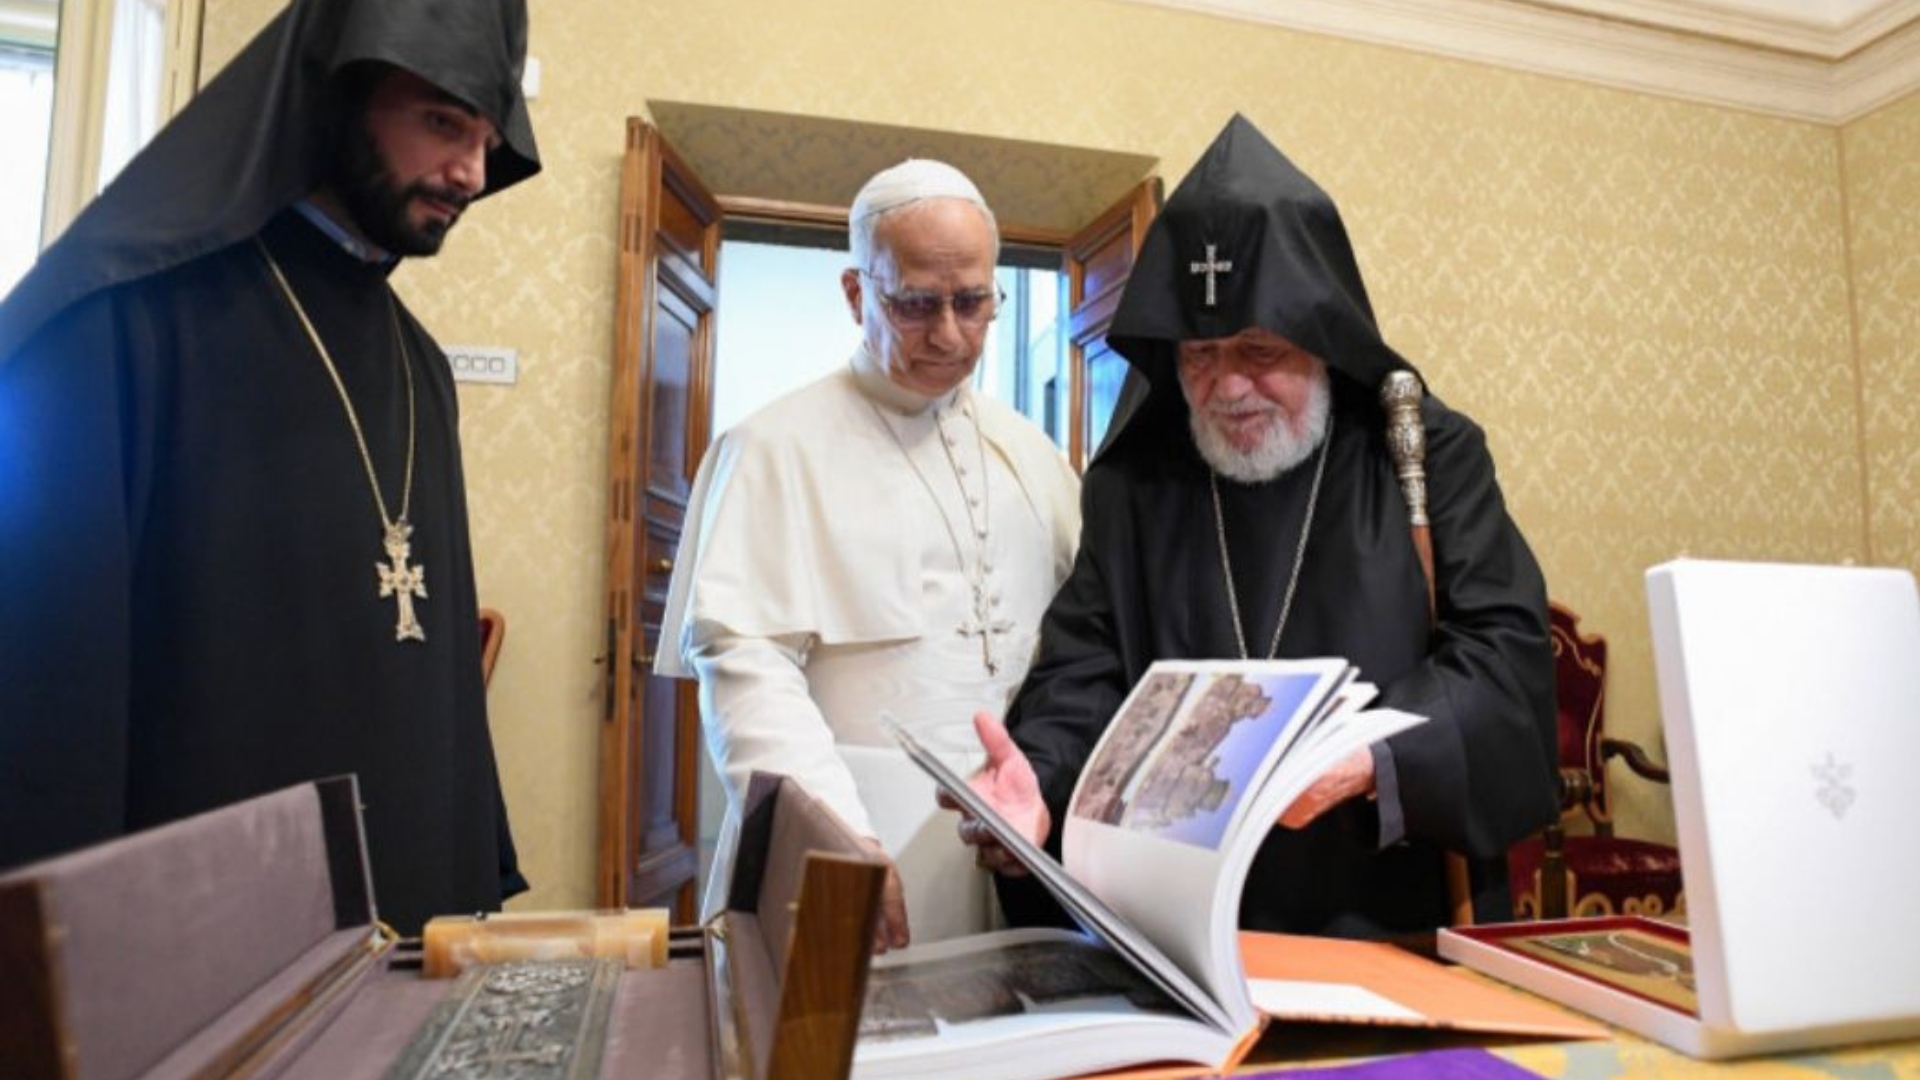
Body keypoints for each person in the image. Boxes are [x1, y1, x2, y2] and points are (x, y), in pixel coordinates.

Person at [0, 0, 540, 934]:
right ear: (336, 97)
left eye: (488, 141)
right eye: (443, 123)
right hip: (197, 926)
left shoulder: (422, 366)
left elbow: (439, 658)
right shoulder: (129, 317)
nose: (472, 173)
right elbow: (51, 684)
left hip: (404, 910)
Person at [960, 115, 1558, 938]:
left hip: (1377, 903)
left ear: (1323, 341)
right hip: (1179, 917)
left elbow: (1503, 661)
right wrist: (1040, 775)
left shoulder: (1420, 454)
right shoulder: (1139, 481)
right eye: (1199, 355)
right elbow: (1085, 672)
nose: (1229, 387)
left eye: (1260, 351)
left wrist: (1374, 761)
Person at [656, 160, 1080, 948]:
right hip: (850, 838)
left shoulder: (1034, 455)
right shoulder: (773, 447)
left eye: (973, 302)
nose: (949, 334)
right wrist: (830, 830)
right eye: (915, 303)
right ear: (857, 293)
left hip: (1010, 857)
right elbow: (745, 662)